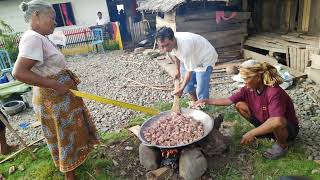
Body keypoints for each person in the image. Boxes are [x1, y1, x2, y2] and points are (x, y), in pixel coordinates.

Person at [13, 1, 99, 179]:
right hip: (54, 98)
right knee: (65, 135)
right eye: (51, 18)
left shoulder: (40, 37)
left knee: (71, 132)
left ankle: (74, 165)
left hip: (59, 96)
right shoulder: (33, 38)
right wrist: (55, 84)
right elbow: (19, 72)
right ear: (36, 15)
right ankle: (70, 175)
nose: (54, 22)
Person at [195, 60, 299, 159]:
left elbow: (277, 121)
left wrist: (252, 133)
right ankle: (264, 132)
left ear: (258, 77)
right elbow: (228, 101)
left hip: (287, 129)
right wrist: (206, 101)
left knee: (277, 122)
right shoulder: (248, 89)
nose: (244, 83)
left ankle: (282, 145)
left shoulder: (273, 92)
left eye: (246, 79)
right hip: (267, 121)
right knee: (239, 105)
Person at [156, 27, 218, 102]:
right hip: (192, 56)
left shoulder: (185, 45)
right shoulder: (170, 43)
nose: (165, 49)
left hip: (204, 58)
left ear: (173, 39)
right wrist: (177, 71)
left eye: (167, 45)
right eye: (162, 46)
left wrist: (181, 88)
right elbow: (176, 56)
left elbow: (189, 70)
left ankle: (203, 105)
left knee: (201, 89)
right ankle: (195, 103)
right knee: (188, 87)